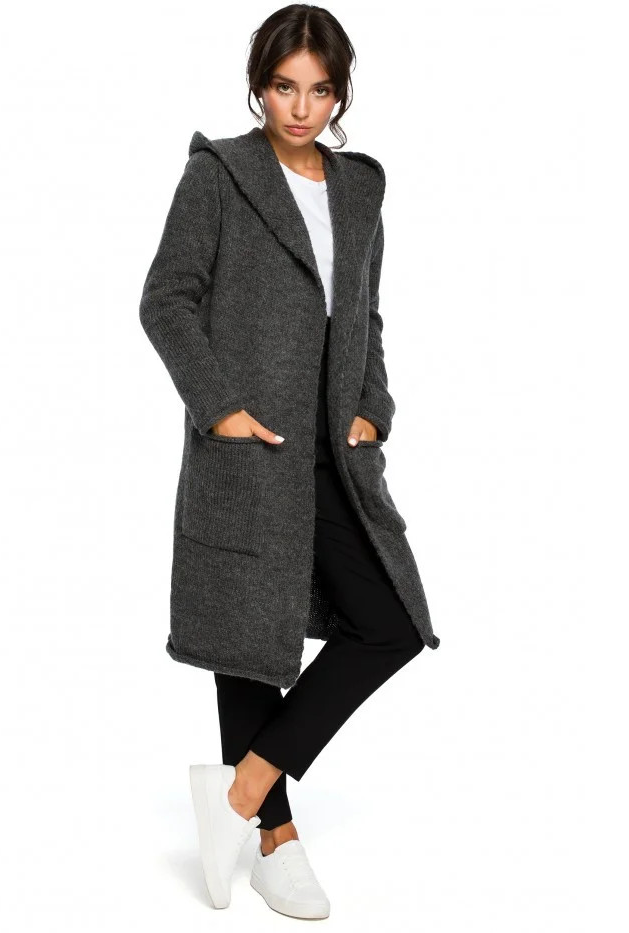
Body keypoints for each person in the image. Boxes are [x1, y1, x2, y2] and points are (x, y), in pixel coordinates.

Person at [139, 5, 440, 920]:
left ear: (340, 93)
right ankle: (275, 839)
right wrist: (221, 409)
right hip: (250, 448)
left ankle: (238, 790)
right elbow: (166, 299)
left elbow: (366, 316)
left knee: (390, 624)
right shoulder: (220, 175)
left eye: (319, 90)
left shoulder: (359, 190)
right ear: (258, 86)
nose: (301, 108)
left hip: (336, 455)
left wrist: (373, 410)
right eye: (283, 87)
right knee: (247, 643)